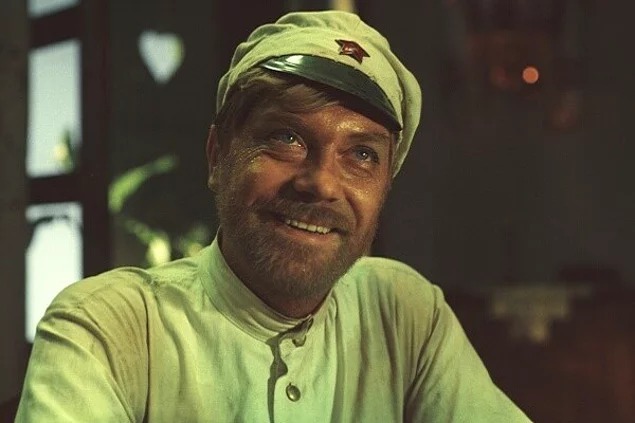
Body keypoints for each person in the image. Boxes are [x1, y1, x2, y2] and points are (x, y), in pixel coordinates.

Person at [16, 10, 531, 423]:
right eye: (287, 137)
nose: (321, 183)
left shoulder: (403, 313)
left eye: (362, 155)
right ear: (217, 156)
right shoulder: (109, 328)